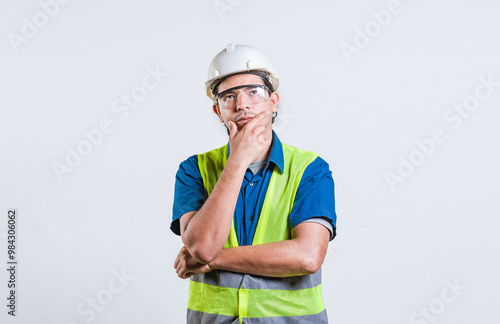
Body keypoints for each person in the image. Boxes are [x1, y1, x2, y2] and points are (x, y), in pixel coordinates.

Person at [172, 44, 337, 324]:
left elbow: (307, 256)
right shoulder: (194, 170)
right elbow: (201, 246)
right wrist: (237, 161)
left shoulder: (310, 169)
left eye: (253, 92)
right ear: (218, 110)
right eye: (228, 96)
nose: (242, 105)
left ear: (273, 101)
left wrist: (214, 260)